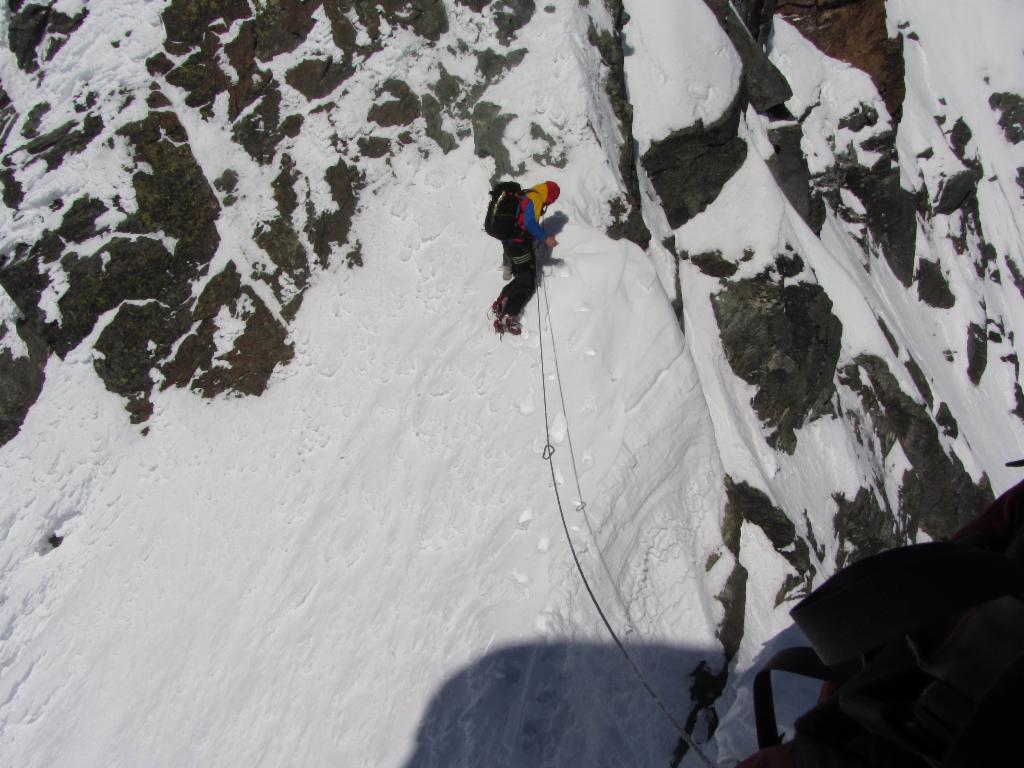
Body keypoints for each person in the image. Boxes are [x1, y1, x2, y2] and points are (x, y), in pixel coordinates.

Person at [491, 181, 560, 335]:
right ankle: (509, 316)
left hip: (510, 243)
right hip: (519, 244)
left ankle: (501, 301)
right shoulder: (536, 198)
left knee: (522, 277)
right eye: (553, 199)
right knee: (527, 282)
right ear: (550, 195)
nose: (551, 202)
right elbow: (529, 223)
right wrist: (545, 237)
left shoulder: (526, 194)